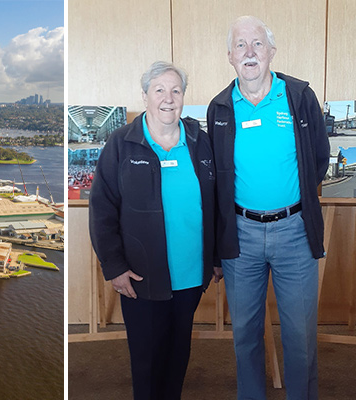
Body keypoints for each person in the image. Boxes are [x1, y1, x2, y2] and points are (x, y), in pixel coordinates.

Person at [207, 16, 330, 400]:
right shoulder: (220, 107)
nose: (249, 52)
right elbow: (216, 178)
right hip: (241, 237)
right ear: (230, 56)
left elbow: (319, 159)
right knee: (244, 333)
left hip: (294, 232)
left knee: (300, 335)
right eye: (240, 45)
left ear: (271, 51)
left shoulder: (298, 95)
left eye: (257, 44)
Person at [89, 61, 220, 400]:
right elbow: (102, 210)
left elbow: (217, 202)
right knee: (147, 362)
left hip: (191, 275)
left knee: (177, 358)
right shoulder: (121, 144)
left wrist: (217, 257)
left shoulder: (199, 142)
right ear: (144, 95)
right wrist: (114, 267)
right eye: (159, 89)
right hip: (141, 277)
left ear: (183, 97)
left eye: (176, 90)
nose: (168, 98)